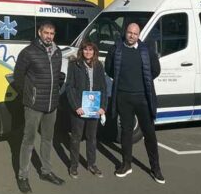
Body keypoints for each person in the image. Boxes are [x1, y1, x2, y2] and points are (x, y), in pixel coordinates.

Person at [105, 22, 165, 184]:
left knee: (149, 133)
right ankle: (126, 165)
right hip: (123, 97)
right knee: (126, 132)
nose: (132, 36)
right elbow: (109, 69)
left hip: (143, 98)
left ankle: (155, 168)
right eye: (130, 32)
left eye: (135, 33)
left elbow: (155, 70)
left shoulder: (146, 50)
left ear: (139, 35)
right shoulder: (116, 49)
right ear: (125, 32)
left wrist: (140, 83)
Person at [12, 21, 65, 194]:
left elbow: (56, 76)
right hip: (34, 104)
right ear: (39, 32)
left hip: (52, 104)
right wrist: (29, 95)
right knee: (28, 141)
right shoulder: (28, 52)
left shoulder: (57, 53)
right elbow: (18, 77)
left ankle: (46, 172)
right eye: (46, 32)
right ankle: (23, 176)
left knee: (47, 139)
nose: (49, 36)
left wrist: (57, 88)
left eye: (52, 33)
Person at [65, 40, 107, 179]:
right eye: (85, 49)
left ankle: (91, 164)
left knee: (92, 138)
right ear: (81, 51)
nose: (88, 52)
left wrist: (102, 107)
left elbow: (103, 87)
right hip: (80, 108)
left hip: (94, 109)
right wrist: (76, 106)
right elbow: (69, 87)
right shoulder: (74, 64)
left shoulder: (99, 66)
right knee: (76, 138)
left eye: (90, 50)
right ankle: (74, 166)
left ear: (94, 51)